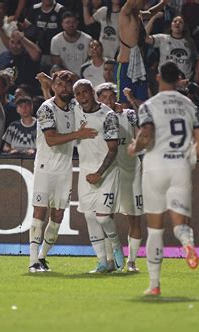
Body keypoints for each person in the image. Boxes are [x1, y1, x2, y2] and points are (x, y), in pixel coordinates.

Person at [128, 61, 199, 295]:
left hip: (155, 167)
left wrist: (135, 147)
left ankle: (154, 285)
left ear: (159, 76)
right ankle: (187, 242)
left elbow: (146, 134)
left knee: (155, 230)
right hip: (179, 167)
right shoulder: (189, 105)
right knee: (180, 224)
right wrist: (188, 160)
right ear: (178, 78)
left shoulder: (149, 105)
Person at [28, 70, 97, 273]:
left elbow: (89, 101)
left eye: (68, 85)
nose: (64, 88)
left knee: (57, 216)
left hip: (65, 168)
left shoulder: (75, 106)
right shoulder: (45, 108)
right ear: (54, 87)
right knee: (39, 212)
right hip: (45, 167)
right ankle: (32, 262)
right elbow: (51, 139)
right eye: (59, 84)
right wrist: (79, 134)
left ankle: (42, 257)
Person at [72, 79, 125, 273]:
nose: (82, 97)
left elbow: (113, 150)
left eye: (85, 92)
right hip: (86, 171)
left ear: (92, 92)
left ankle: (117, 246)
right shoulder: (75, 109)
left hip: (107, 171)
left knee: (103, 217)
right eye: (78, 94)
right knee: (89, 217)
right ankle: (103, 262)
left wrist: (99, 173)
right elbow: (57, 102)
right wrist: (47, 84)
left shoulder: (108, 115)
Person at [97, 82, 143, 272]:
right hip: (110, 172)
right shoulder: (97, 118)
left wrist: (132, 100)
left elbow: (144, 122)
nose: (108, 100)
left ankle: (131, 262)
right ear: (98, 99)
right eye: (104, 97)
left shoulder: (129, 115)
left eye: (111, 96)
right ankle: (110, 260)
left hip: (131, 171)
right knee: (106, 216)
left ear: (116, 97)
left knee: (134, 218)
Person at [145, 15, 197, 81]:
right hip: (165, 81)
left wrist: (196, 74)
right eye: (175, 21)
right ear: (171, 25)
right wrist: (153, 18)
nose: (177, 23)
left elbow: (196, 60)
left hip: (184, 82)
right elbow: (145, 38)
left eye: (180, 22)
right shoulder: (162, 38)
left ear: (184, 26)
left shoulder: (190, 42)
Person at [50, 11, 93, 77]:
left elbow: (91, 60)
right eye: (67, 22)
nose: (71, 25)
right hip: (65, 76)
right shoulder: (56, 40)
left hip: (85, 75)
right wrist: (72, 77)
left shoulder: (87, 39)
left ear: (77, 23)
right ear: (62, 24)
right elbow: (57, 64)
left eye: (73, 22)